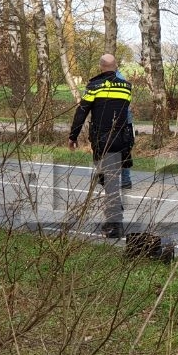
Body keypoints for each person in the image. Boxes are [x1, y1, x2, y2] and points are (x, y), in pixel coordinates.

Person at [69, 54, 133, 238]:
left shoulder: (94, 87)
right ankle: (115, 210)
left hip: (103, 141)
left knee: (110, 181)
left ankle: (115, 225)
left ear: (100, 67)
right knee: (104, 177)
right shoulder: (127, 88)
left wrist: (73, 136)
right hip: (122, 140)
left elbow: (82, 112)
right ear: (116, 66)